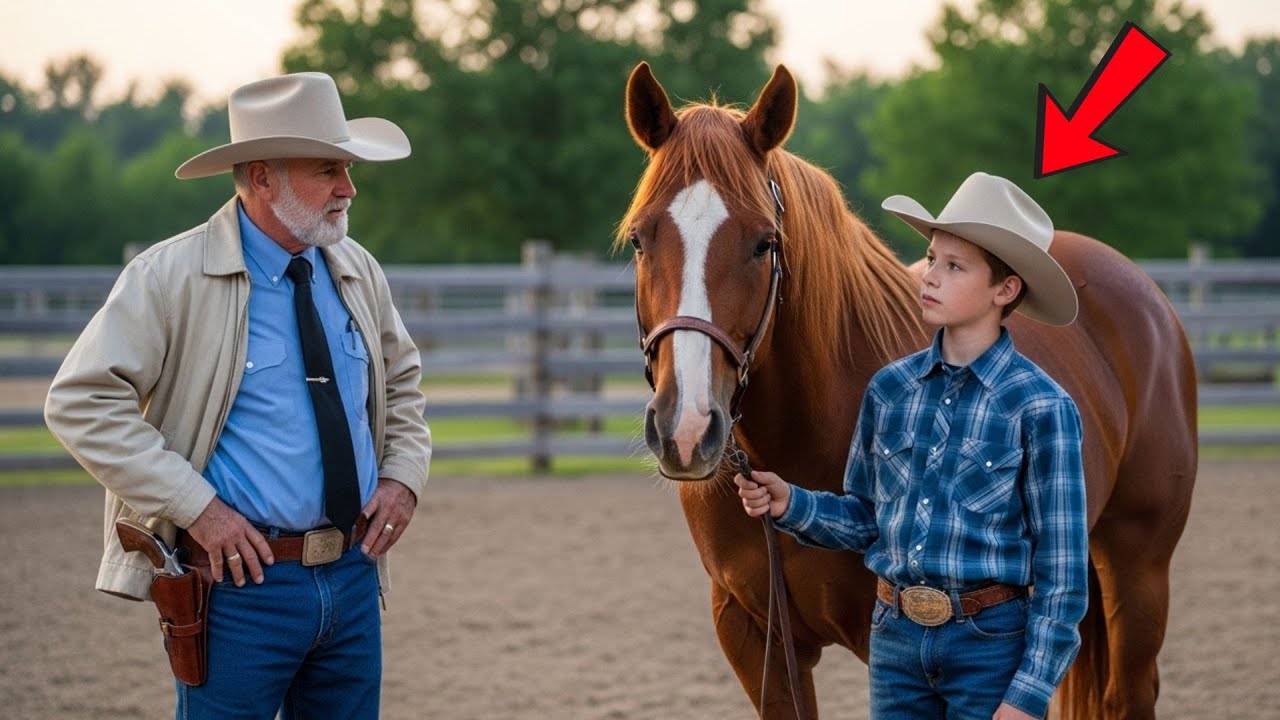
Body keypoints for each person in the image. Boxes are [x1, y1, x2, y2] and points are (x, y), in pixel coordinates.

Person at [44, 71, 432, 719]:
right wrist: (198, 509)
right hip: (238, 591)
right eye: (327, 170)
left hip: (354, 576)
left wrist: (402, 476)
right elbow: (79, 403)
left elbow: (403, 382)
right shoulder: (169, 277)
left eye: (347, 168)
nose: (349, 188)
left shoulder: (357, 268)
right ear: (261, 177)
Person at [736, 172, 1088, 720]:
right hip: (895, 640)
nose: (929, 276)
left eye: (954, 266)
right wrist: (793, 503)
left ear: (1005, 289)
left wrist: (1028, 693)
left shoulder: (1042, 408)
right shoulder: (891, 391)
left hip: (989, 644)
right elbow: (868, 517)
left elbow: (1063, 574)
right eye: (931, 257)